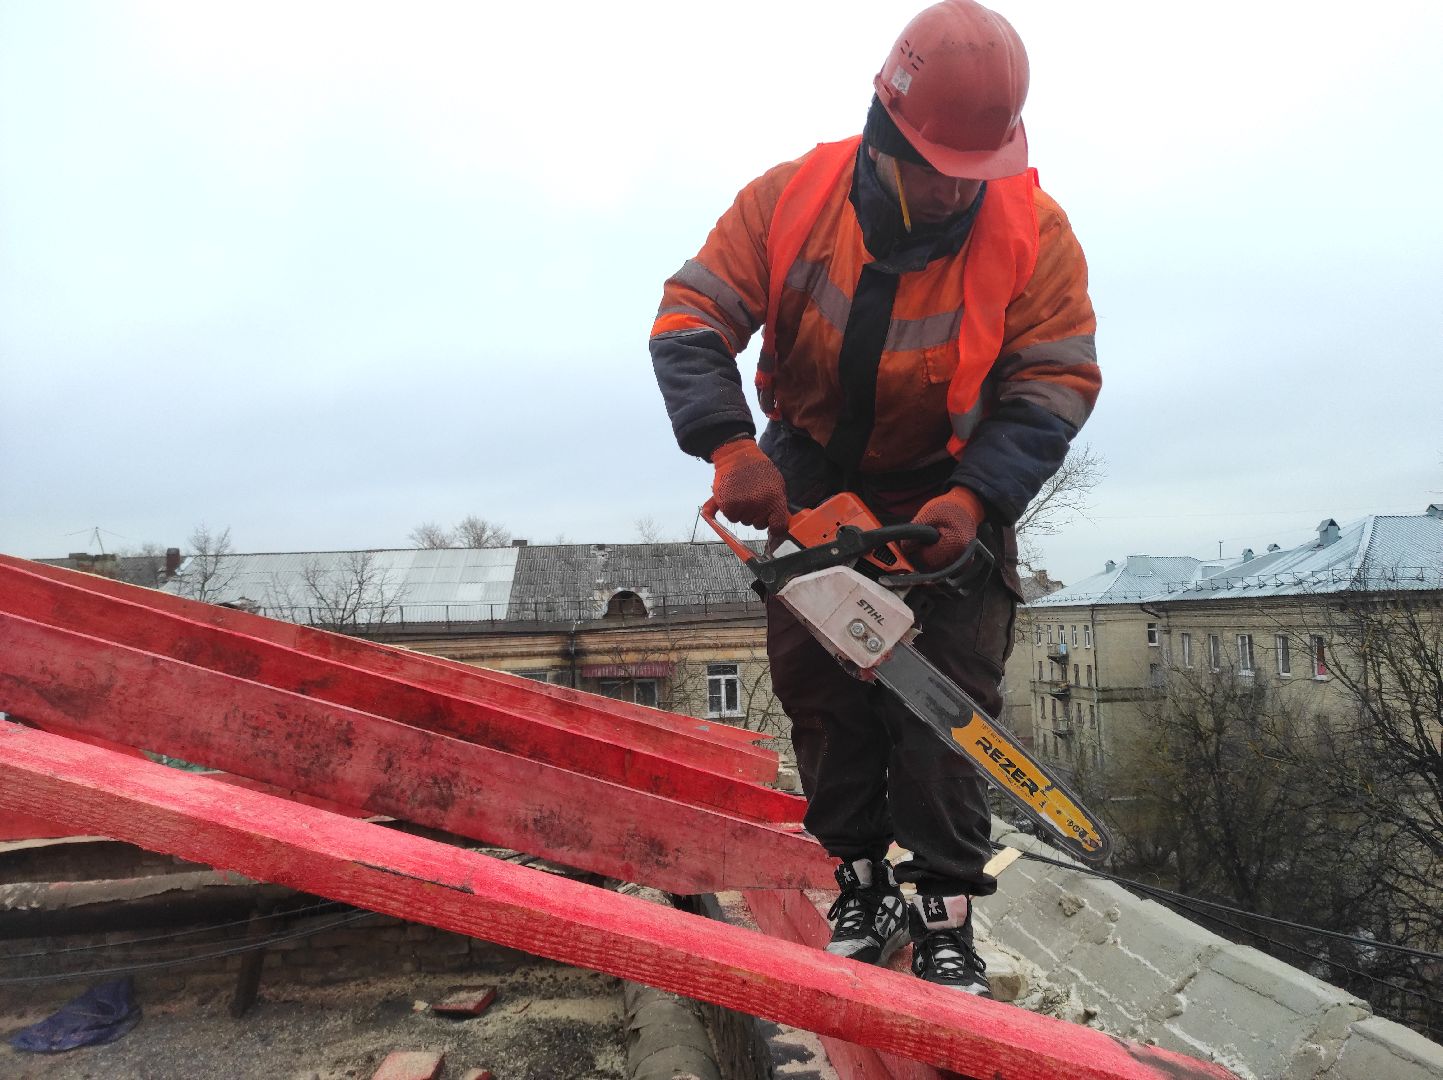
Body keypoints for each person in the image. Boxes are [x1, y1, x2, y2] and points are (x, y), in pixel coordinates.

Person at [649, 0, 1099, 995]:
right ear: (886, 132)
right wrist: (729, 446)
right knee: (820, 689)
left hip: (951, 482)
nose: (952, 193)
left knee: (946, 707)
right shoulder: (791, 198)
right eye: (936, 167)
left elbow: (1055, 382)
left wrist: (978, 502)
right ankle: (859, 881)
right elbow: (690, 315)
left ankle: (944, 911)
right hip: (806, 466)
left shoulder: (1034, 232)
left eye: (970, 174)